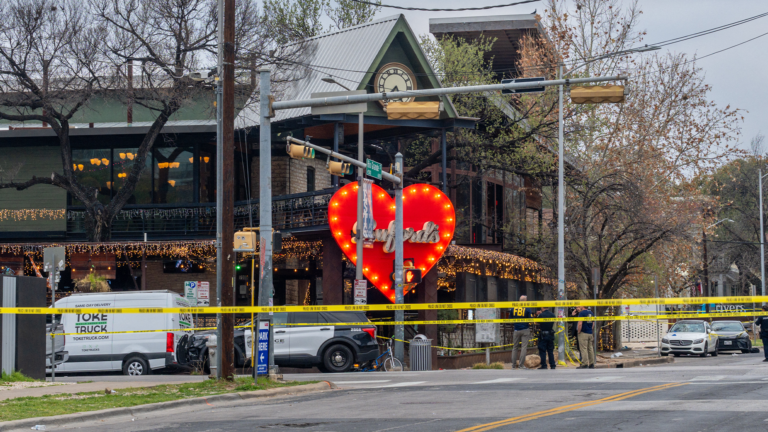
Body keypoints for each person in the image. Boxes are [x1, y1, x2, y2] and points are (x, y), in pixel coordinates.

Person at [510, 295, 534, 369]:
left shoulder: (513, 308)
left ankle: (513, 365)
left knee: (515, 347)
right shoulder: (527, 309)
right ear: (525, 300)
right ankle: (521, 365)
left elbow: (510, 319)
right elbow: (530, 320)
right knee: (523, 347)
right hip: (525, 329)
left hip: (516, 330)